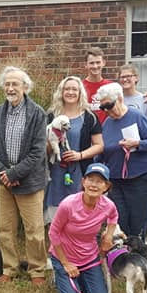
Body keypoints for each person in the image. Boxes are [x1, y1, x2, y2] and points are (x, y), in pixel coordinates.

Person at [0, 66, 49, 285]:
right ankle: (9, 268)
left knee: (34, 230)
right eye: (7, 84)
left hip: (30, 181)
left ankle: (38, 271)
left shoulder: (37, 113)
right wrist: (5, 173)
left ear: (25, 87)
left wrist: (14, 173)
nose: (11, 88)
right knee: (5, 229)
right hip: (5, 182)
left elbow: (38, 152)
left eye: (15, 84)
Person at [96, 83, 147, 240]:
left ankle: (139, 254)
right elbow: (103, 149)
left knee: (138, 218)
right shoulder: (107, 123)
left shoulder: (136, 116)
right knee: (119, 217)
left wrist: (137, 144)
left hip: (141, 176)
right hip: (116, 179)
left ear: (120, 99)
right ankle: (124, 255)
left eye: (109, 105)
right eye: (102, 107)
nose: (106, 110)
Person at [48, 163, 118, 293]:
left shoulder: (108, 205)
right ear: (83, 182)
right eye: (90, 180)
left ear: (106, 186)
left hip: (89, 256)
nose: (94, 185)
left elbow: (113, 217)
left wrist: (108, 237)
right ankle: (60, 274)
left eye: (99, 182)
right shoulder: (68, 205)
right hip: (64, 256)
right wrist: (65, 263)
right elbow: (53, 232)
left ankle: (76, 278)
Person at [43, 76, 103, 224]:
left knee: (79, 215)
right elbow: (42, 147)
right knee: (56, 217)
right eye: (67, 89)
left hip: (79, 171)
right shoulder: (51, 115)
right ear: (61, 92)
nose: (70, 92)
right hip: (55, 172)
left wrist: (80, 155)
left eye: (74, 89)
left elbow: (99, 145)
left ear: (80, 92)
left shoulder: (90, 117)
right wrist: (51, 144)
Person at [83, 47, 113, 122]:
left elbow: (126, 99)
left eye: (98, 62)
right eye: (91, 63)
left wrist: (144, 96)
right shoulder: (80, 87)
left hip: (107, 130)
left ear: (104, 63)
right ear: (86, 65)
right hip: (87, 131)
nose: (95, 66)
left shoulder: (111, 86)